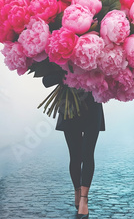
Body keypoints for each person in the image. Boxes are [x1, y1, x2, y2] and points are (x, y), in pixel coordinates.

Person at [43, 71, 105, 219]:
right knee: (75, 156)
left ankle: (84, 199)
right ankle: (77, 191)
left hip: (92, 106)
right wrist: (68, 73)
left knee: (88, 154)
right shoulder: (59, 57)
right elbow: (47, 80)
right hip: (69, 107)